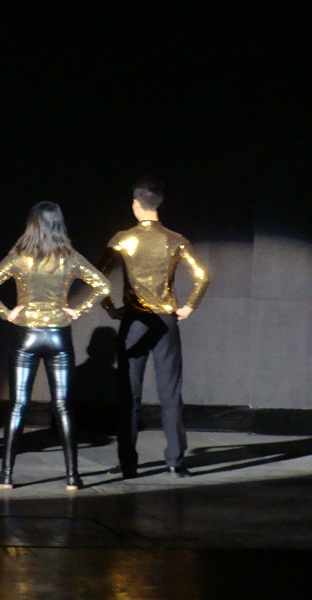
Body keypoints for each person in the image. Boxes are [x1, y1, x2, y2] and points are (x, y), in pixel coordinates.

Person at [0, 201, 110, 491]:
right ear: (59, 224)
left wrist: (7, 313)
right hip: (58, 336)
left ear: (32, 224)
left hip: (28, 335)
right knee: (62, 406)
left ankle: (6, 475)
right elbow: (102, 285)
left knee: (18, 406)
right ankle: (73, 477)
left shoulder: (20, 256)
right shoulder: (69, 257)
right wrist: (77, 310)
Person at [98, 176, 210, 479]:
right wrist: (188, 306)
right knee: (170, 392)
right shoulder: (175, 239)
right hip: (165, 321)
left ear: (136, 204)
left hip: (134, 321)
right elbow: (202, 276)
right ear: (159, 204)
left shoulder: (122, 238)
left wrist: (111, 309)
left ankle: (127, 463)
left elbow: (97, 277)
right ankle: (175, 461)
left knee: (129, 395)